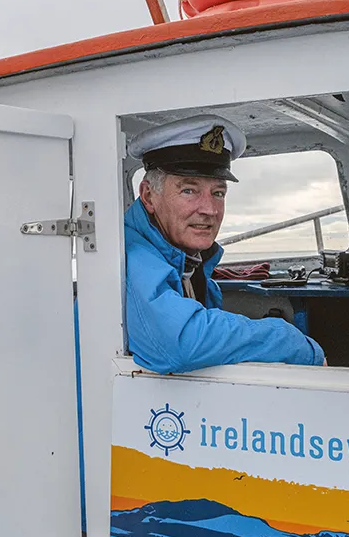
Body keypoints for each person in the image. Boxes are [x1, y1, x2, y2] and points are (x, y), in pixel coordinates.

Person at [123, 115, 326, 374]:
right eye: (189, 190)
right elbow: (180, 343)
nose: (209, 209)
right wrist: (292, 342)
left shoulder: (186, 257)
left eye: (218, 193)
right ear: (148, 195)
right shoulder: (130, 254)